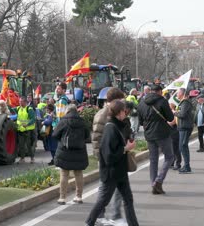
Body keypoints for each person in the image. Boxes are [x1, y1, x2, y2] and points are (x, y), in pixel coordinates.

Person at [85, 100, 138, 226]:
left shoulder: (118, 125)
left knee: (128, 200)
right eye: (124, 111)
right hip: (111, 172)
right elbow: (108, 155)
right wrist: (125, 149)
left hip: (120, 171)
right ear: (119, 112)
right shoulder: (110, 128)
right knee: (103, 200)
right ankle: (89, 222)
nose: (126, 113)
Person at [90, 87, 126, 224]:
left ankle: (110, 214)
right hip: (108, 157)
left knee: (113, 187)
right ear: (114, 100)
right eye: (120, 100)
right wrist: (103, 157)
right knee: (106, 188)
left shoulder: (111, 113)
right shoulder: (103, 115)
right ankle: (102, 215)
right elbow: (97, 138)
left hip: (114, 156)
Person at [137, 84, 174, 194]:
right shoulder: (162, 101)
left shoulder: (142, 102)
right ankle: (159, 180)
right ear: (159, 91)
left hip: (148, 134)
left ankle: (154, 184)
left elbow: (140, 122)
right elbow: (170, 118)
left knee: (153, 160)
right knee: (169, 157)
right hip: (162, 133)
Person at [51, 104, 89, 205]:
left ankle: (62, 198)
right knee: (78, 173)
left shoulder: (63, 121)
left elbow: (54, 134)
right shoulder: (82, 121)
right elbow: (87, 135)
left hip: (65, 151)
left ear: (67, 111)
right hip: (79, 151)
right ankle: (79, 196)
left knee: (64, 173)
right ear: (76, 111)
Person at [175, 88, 194, 174]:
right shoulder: (182, 102)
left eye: (178, 93)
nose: (176, 95)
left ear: (182, 94)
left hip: (185, 127)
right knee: (182, 146)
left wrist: (174, 112)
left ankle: (187, 166)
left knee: (183, 146)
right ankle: (186, 166)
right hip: (182, 127)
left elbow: (182, 114)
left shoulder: (185, 102)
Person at [14, 96, 37, 163]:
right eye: (19, 102)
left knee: (29, 145)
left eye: (21, 102)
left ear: (25, 102)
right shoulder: (18, 108)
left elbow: (33, 119)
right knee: (21, 145)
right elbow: (10, 109)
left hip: (28, 130)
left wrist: (27, 124)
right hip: (20, 130)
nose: (20, 103)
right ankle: (22, 158)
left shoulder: (29, 109)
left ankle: (32, 158)